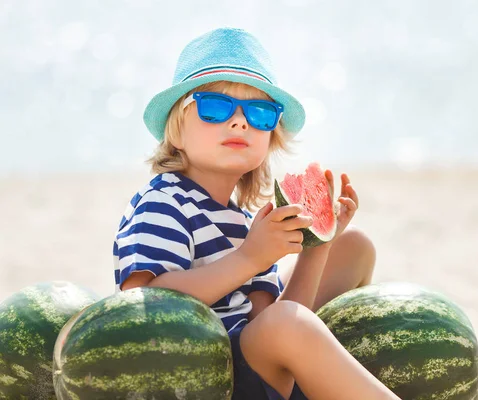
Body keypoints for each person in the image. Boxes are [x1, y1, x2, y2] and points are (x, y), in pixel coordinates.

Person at [113, 27, 398, 400]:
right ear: (176, 132)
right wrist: (249, 257)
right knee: (282, 325)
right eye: (214, 107)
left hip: (253, 376)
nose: (239, 122)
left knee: (354, 245)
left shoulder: (245, 222)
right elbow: (143, 303)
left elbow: (273, 322)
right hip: (201, 379)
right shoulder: (163, 202)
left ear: (270, 137)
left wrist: (317, 248)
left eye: (260, 113)